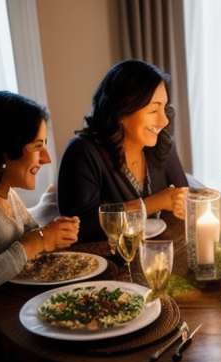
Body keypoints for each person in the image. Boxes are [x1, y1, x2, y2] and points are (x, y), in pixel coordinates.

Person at [57, 60, 188, 244]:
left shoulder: (162, 145)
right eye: (153, 110)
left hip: (156, 257)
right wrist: (154, 203)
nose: (164, 121)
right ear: (122, 110)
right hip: (106, 265)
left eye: (164, 108)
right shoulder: (82, 153)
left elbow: (184, 199)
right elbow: (77, 229)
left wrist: (181, 205)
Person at [0, 91, 79, 288]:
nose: (46, 159)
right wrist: (38, 242)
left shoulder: (9, 195)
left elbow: (34, 234)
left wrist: (56, 233)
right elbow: (33, 242)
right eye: (37, 146)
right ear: (8, 148)